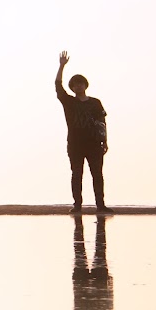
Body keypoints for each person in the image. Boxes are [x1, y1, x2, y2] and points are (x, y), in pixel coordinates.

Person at [55, 51, 108, 213]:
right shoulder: (69, 102)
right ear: (72, 87)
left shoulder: (95, 103)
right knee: (77, 174)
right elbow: (58, 86)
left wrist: (105, 141)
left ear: (85, 85)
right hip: (75, 144)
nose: (78, 86)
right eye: (75, 84)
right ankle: (77, 205)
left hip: (94, 143)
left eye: (81, 84)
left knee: (97, 175)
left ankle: (101, 205)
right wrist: (61, 66)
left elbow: (102, 123)